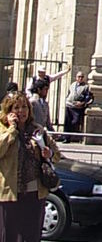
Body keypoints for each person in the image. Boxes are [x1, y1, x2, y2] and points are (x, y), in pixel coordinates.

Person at [0, 91, 61, 242]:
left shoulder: (37, 129)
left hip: (35, 192)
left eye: (24, 107)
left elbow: (57, 154)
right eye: (16, 108)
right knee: (9, 235)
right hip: (10, 192)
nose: (21, 111)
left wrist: (49, 154)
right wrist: (12, 130)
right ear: (8, 111)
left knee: (31, 235)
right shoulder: (3, 129)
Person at [63, 71, 94, 142]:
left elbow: (88, 97)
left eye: (82, 77)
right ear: (76, 77)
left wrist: (82, 103)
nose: (80, 78)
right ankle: (66, 138)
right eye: (79, 77)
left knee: (75, 121)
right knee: (67, 122)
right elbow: (69, 93)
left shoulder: (86, 87)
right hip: (69, 105)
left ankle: (75, 136)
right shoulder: (72, 85)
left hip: (77, 108)